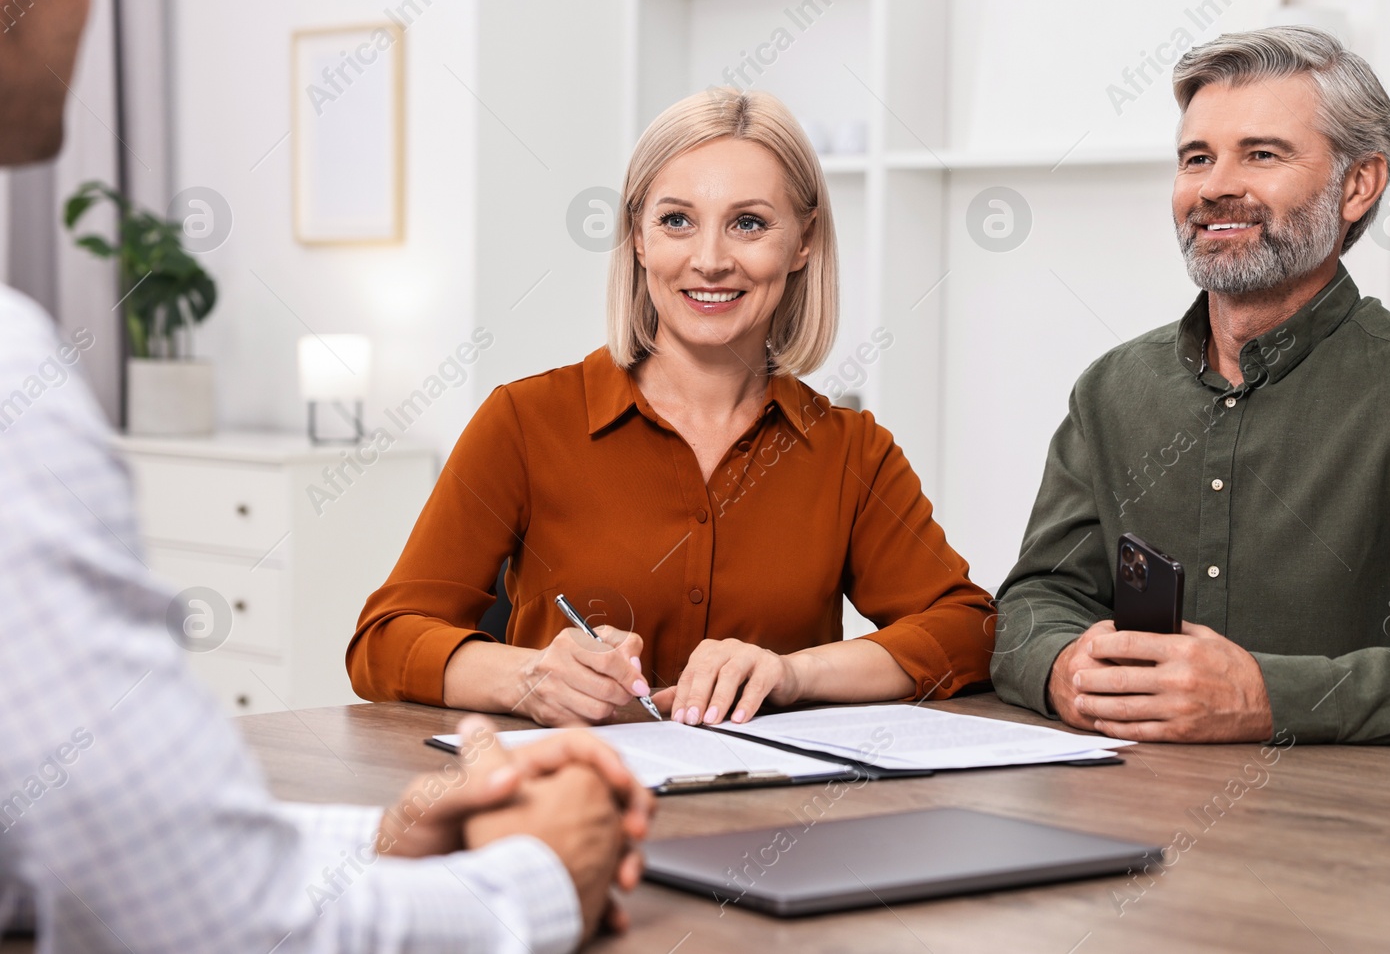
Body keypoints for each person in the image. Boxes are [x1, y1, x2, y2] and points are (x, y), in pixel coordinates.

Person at [0, 0, 652, 950]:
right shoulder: (11, 381)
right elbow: (204, 918)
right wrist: (539, 877)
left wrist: (386, 838)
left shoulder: (847, 442)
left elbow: (70, 856)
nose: (711, 259)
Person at [991, 25, 1390, 744]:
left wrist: (1272, 697)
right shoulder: (1110, 391)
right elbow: (1037, 597)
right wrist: (1060, 662)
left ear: (1359, 184)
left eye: (1261, 154)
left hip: (1354, 835)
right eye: (1196, 158)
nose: (1215, 186)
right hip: (1134, 808)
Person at [348, 87, 994, 728]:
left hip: (770, 813)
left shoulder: (851, 449)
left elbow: (969, 630)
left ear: (802, 242)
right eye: (676, 220)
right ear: (637, 238)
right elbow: (384, 640)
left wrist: (795, 673)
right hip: (571, 809)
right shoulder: (524, 420)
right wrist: (526, 677)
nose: (709, 261)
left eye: (749, 223)